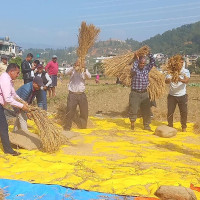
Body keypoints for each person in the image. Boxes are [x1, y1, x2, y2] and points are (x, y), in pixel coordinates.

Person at [0, 63, 29, 156]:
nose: (18, 75)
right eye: (17, 73)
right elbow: (8, 98)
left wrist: (23, 102)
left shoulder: (8, 79)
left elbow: (14, 94)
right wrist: (21, 106)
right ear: (11, 71)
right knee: (4, 127)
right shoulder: (5, 79)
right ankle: (8, 149)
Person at [129, 53, 156, 131]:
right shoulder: (135, 69)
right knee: (133, 110)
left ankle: (147, 126)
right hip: (135, 93)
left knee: (147, 110)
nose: (142, 64)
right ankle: (132, 125)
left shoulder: (146, 69)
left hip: (144, 94)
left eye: (143, 63)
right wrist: (137, 58)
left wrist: (149, 54)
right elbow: (134, 67)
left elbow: (153, 62)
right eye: (141, 63)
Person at [64, 60, 91, 131]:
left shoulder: (84, 71)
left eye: (80, 63)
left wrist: (84, 69)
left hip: (81, 94)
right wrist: (73, 67)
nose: (79, 64)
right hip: (72, 94)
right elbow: (66, 72)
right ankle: (67, 127)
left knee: (84, 111)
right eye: (77, 63)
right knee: (69, 111)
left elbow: (89, 77)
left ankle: (83, 126)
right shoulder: (72, 70)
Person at [165, 60, 190, 132]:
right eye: (179, 62)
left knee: (184, 112)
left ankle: (184, 127)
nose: (181, 64)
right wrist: (170, 80)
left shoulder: (185, 71)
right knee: (170, 112)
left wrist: (179, 79)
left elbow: (186, 81)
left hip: (182, 95)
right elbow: (166, 81)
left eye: (182, 62)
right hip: (172, 96)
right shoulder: (170, 71)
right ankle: (170, 126)